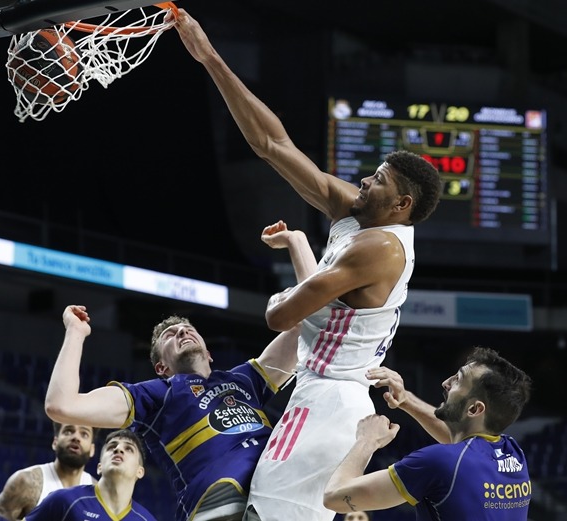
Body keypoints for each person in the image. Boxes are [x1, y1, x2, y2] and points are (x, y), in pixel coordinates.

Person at [170, 10, 444, 521]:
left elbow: (280, 316)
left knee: (264, 514)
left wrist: (292, 278)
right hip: (321, 389)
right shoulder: (359, 214)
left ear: (401, 204)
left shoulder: (380, 249)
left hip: (332, 398)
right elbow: (272, 145)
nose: (364, 181)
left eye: (379, 180)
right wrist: (208, 57)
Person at [45, 215, 314, 521]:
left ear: (209, 353)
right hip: (220, 502)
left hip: (278, 484)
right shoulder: (157, 395)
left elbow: (312, 322)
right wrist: (75, 333)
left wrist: (297, 241)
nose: (182, 332)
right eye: (170, 336)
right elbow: (61, 405)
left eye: (188, 329)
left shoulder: (245, 379)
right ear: (161, 367)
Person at [324, 346, 533, 519]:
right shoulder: (514, 454)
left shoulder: (437, 462)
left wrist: (367, 440)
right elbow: (457, 445)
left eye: (458, 380)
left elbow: (334, 497)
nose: (446, 383)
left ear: (474, 409)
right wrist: (405, 399)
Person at [25, 429, 156, 521]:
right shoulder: (64, 501)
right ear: (100, 467)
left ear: (140, 471)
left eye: (129, 449)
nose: (118, 449)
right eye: (112, 447)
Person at [0, 422, 97, 520]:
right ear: (55, 442)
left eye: (84, 434)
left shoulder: (97, 492)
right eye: (68, 431)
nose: (76, 437)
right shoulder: (27, 482)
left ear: (92, 449)